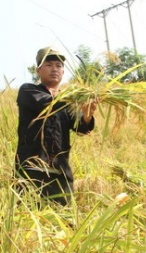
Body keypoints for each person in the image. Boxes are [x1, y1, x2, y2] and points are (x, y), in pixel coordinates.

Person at [14, 46, 98, 206]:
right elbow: (48, 104)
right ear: (38, 70)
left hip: (60, 174)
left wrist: (87, 115)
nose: (55, 69)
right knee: (28, 221)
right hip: (32, 171)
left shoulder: (66, 102)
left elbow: (81, 128)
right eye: (49, 65)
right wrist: (76, 96)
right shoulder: (28, 90)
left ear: (63, 72)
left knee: (65, 224)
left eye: (59, 66)